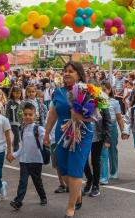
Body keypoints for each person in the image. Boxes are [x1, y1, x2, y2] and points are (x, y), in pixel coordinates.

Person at [44, 61, 95, 218]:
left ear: (79, 74)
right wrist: (46, 134)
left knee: (75, 169)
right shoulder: (58, 92)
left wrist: (79, 116)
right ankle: (77, 192)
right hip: (62, 133)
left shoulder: (87, 91)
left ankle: (70, 207)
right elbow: (53, 113)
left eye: (71, 71)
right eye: (65, 71)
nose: (67, 73)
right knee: (64, 169)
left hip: (82, 134)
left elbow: (94, 117)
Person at [10, 102, 47, 210]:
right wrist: (14, 155)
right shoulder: (22, 130)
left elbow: (45, 137)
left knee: (37, 181)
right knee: (23, 182)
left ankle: (43, 197)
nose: (28, 117)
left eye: (30, 114)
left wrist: (47, 140)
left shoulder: (38, 129)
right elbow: (22, 148)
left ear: (35, 116)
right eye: (25, 114)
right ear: (22, 115)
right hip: (24, 161)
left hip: (36, 161)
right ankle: (18, 201)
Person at [83, 96, 111, 197]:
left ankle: (95, 185)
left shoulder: (102, 104)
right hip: (84, 136)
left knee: (95, 161)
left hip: (98, 137)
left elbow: (108, 122)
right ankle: (89, 179)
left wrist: (107, 139)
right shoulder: (81, 102)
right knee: (83, 160)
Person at [99, 80, 124, 184]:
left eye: (104, 90)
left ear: (109, 90)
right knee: (102, 151)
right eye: (100, 90)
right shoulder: (96, 102)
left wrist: (123, 131)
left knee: (112, 149)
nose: (102, 92)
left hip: (112, 127)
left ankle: (113, 171)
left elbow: (119, 118)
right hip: (100, 127)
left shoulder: (114, 102)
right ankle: (103, 176)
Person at [6, 86, 22, 152]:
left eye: (19, 93)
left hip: (20, 122)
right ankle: (16, 150)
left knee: (19, 136)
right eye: (16, 93)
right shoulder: (10, 102)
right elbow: (8, 113)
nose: (18, 95)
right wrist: (8, 122)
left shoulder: (21, 102)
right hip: (13, 122)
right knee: (17, 135)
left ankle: (14, 143)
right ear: (13, 93)